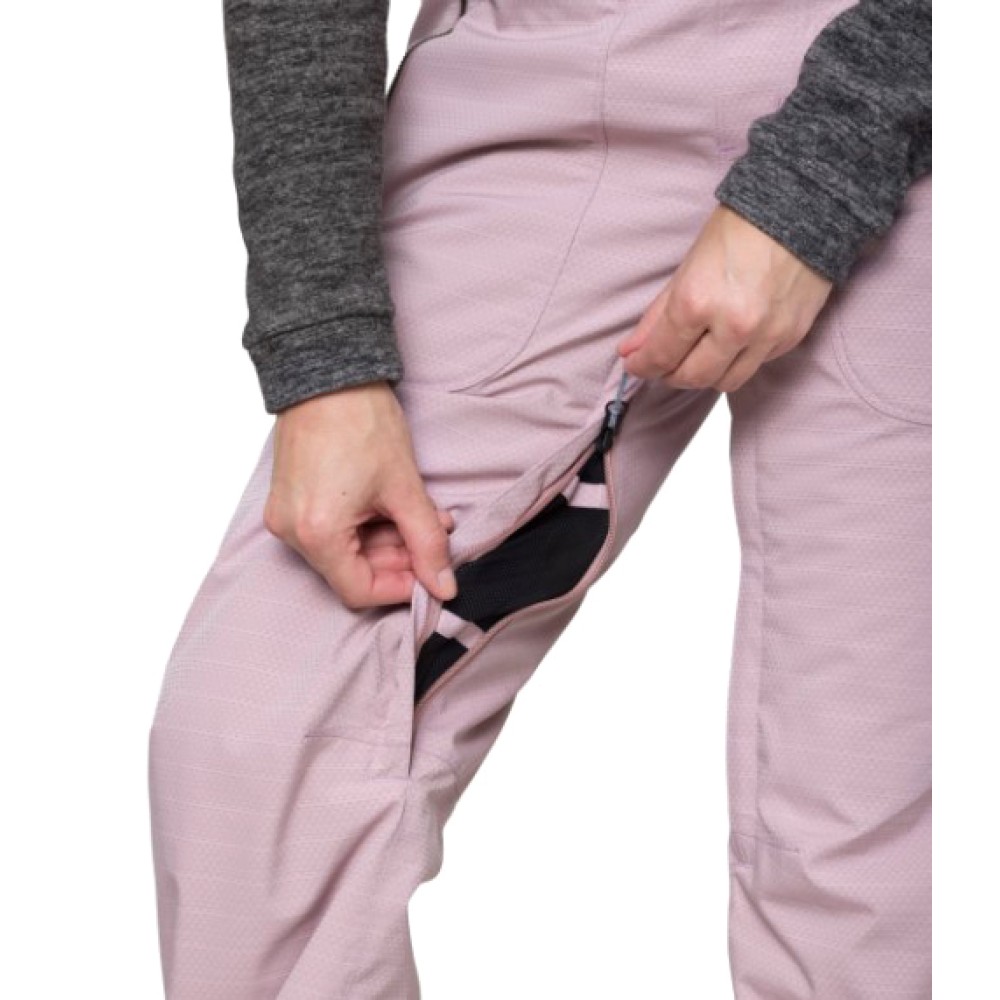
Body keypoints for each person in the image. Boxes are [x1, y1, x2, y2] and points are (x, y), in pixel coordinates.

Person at [148, 0, 931, 996]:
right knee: (257, 757)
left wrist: (824, 167)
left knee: (868, 850)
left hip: (928, 81)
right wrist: (325, 364)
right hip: (545, 76)